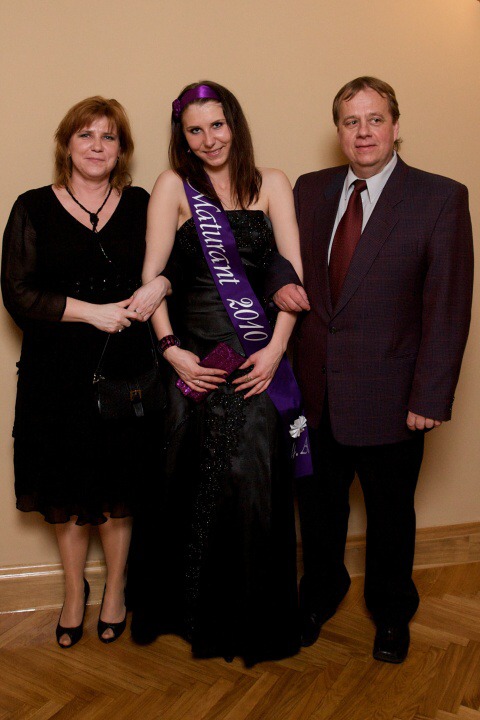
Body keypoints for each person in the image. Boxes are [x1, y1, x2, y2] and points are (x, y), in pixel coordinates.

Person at [275, 76, 474, 663]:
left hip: (392, 397)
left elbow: (448, 306)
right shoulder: (309, 189)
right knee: (317, 510)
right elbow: (278, 259)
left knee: (390, 517)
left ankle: (391, 612)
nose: (363, 132)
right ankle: (320, 592)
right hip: (314, 393)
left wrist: (430, 397)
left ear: (395, 124)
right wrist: (280, 282)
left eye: (375, 119)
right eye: (351, 121)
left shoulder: (440, 198)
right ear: (339, 130)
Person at [128, 81, 304, 666]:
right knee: (188, 484)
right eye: (195, 130)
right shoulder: (172, 186)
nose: (209, 140)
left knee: (253, 485)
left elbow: (292, 277)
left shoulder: (272, 183)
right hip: (195, 362)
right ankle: (190, 615)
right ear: (183, 137)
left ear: (236, 125)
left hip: (257, 359)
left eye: (218, 125)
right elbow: (153, 280)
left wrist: (276, 350)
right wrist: (171, 350)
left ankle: (250, 621)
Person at [1, 96, 168, 648]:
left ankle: (116, 589)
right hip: (55, 374)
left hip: (127, 371)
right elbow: (17, 292)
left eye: (109, 136)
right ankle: (75, 593)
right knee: (67, 491)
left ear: (122, 149)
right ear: (67, 145)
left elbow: (177, 263)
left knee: (120, 488)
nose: (97, 146)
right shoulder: (32, 206)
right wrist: (92, 312)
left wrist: (161, 284)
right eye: (86, 135)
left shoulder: (142, 203)